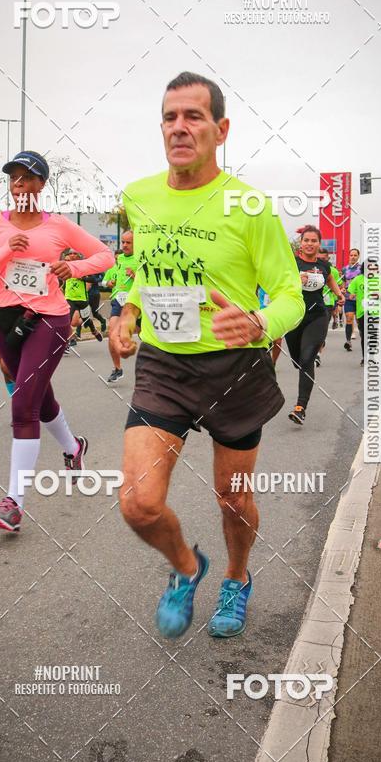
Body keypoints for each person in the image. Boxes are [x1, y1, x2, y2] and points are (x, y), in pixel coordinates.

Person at [113, 71, 304, 640]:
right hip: (164, 366)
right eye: (170, 117)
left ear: (220, 130)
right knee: (138, 504)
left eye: (193, 116)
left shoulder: (250, 206)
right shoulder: (139, 196)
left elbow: (291, 293)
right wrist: (127, 311)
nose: (179, 127)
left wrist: (259, 322)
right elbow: (144, 270)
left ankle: (237, 578)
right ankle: (187, 569)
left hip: (234, 369)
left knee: (233, 499)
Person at [0, 150, 114, 532]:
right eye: (13, 177)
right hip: (5, 321)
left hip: (48, 319)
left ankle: (13, 504)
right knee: (40, 396)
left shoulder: (59, 226)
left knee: (23, 404)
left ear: (41, 184)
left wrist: (74, 266)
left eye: (27, 177)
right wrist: (7, 249)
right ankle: (74, 448)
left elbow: (106, 257)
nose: (19, 183)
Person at [285, 227, 344, 424]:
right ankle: (302, 364)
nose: (310, 244)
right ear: (301, 243)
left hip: (317, 315)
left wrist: (338, 294)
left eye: (314, 241)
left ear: (319, 244)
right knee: (298, 360)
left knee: (308, 358)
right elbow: (279, 282)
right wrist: (295, 280)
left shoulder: (323, 265)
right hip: (294, 315)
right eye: (306, 240)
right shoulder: (291, 263)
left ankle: (300, 407)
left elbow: (329, 279)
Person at [105, 231, 138, 383]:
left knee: (147, 336)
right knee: (112, 332)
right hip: (119, 300)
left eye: (128, 242)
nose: (124, 245)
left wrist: (135, 276)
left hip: (137, 303)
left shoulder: (140, 259)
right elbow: (109, 279)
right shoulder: (118, 261)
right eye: (123, 242)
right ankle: (117, 369)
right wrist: (109, 283)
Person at [62, 252, 103, 351]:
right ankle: (68, 342)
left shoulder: (83, 267)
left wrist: (82, 278)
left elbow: (93, 279)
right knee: (68, 321)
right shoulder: (65, 268)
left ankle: (94, 330)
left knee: (86, 319)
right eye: (69, 254)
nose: (71, 256)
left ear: (78, 256)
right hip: (70, 298)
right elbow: (62, 282)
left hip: (82, 299)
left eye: (73, 253)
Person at [347, 259, 381, 366]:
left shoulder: (379, 280)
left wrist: (378, 295)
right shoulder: (358, 279)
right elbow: (350, 291)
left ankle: (371, 357)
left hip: (375, 312)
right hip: (361, 312)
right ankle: (364, 358)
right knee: (364, 335)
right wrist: (351, 294)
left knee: (372, 335)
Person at [316, 247, 341, 366]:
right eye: (319, 258)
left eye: (324, 259)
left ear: (328, 258)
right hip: (313, 302)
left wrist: (339, 295)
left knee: (322, 329)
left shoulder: (333, 271)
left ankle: (317, 355)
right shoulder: (312, 268)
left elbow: (338, 286)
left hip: (328, 303)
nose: (321, 261)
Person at [341, 248, 363, 351]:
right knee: (349, 318)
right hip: (349, 298)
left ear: (358, 256)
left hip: (360, 299)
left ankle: (364, 340)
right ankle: (348, 341)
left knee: (359, 322)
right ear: (349, 256)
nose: (353, 257)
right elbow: (343, 282)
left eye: (355, 255)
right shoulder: (345, 269)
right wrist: (342, 289)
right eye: (351, 255)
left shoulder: (361, 269)